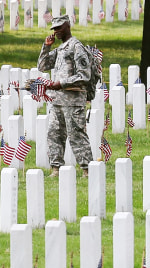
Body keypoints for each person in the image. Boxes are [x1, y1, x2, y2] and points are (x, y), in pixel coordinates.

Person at [37, 15, 93, 178]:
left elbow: (84, 76)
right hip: (57, 100)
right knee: (54, 133)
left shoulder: (76, 47)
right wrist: (46, 47)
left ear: (67, 25)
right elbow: (42, 66)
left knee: (76, 135)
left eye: (59, 28)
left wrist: (61, 83)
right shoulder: (61, 49)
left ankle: (87, 169)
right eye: (54, 29)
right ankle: (56, 168)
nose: (56, 32)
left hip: (73, 101)